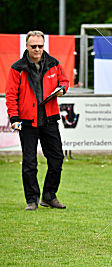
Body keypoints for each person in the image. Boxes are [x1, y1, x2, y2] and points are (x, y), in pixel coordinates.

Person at [5, 30, 69, 210]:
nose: (37, 49)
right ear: (26, 46)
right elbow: (11, 95)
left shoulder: (54, 64)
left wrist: (63, 89)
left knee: (57, 159)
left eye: (40, 46)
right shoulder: (17, 68)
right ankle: (32, 200)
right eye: (33, 46)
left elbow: (64, 81)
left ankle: (49, 196)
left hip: (49, 120)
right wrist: (14, 117)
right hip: (26, 122)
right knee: (29, 163)